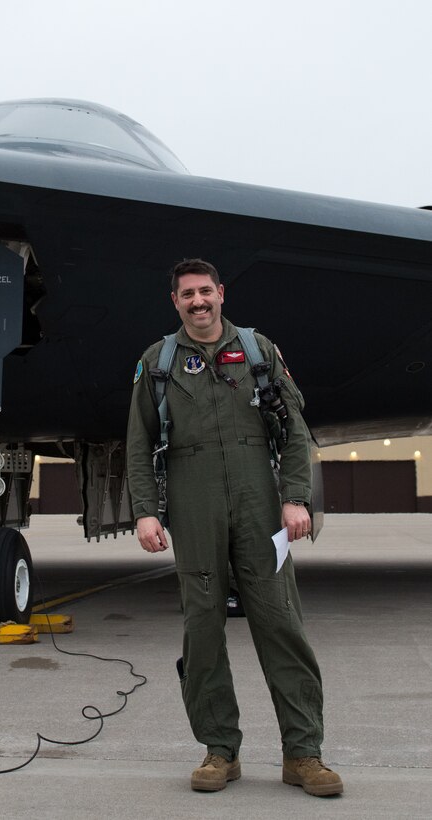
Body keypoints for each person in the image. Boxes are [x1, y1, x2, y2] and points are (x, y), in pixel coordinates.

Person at [126, 258, 342, 797]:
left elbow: (294, 432)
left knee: (282, 626)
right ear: (174, 301)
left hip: (258, 502)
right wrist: (146, 510)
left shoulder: (258, 351)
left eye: (206, 292)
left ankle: (304, 754)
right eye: (187, 295)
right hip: (192, 499)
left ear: (221, 294)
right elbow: (137, 443)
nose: (198, 302)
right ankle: (219, 750)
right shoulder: (158, 362)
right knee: (203, 631)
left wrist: (296, 498)